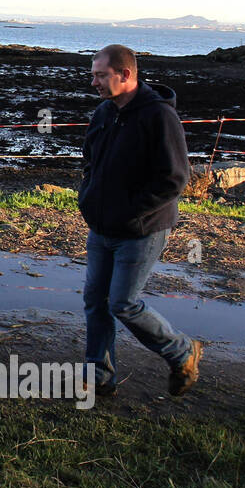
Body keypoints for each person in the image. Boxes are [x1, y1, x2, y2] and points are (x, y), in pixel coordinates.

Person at [77, 44, 203, 396]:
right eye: (93, 75)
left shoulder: (160, 117)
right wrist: (87, 197)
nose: (94, 83)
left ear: (126, 74)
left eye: (101, 75)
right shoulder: (104, 112)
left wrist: (129, 211)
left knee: (123, 303)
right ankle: (99, 378)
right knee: (95, 302)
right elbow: (90, 161)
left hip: (141, 230)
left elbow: (175, 178)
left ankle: (181, 350)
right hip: (100, 227)